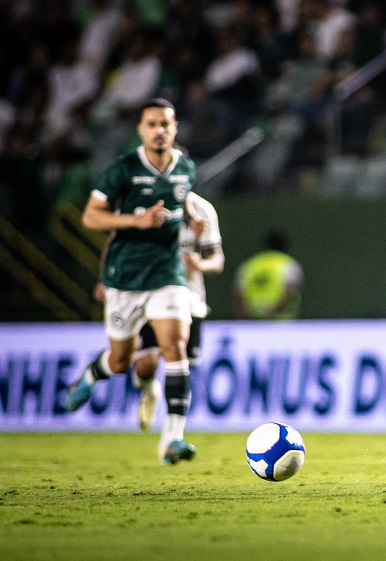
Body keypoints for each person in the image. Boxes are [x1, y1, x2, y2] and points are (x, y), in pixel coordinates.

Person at [65, 98, 204, 465]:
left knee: (175, 348)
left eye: (166, 124)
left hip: (167, 276)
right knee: (121, 361)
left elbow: (181, 205)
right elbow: (92, 218)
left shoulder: (186, 169)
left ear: (175, 129)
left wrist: (192, 220)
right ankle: (92, 376)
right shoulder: (123, 170)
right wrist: (136, 222)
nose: (160, 130)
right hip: (125, 279)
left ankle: (172, 440)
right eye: (152, 124)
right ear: (140, 130)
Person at [92, 189, 224, 432]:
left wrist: (201, 264)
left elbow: (217, 259)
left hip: (188, 298)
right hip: (149, 293)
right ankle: (150, 389)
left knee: (183, 365)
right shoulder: (141, 207)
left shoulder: (203, 210)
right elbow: (114, 244)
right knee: (146, 366)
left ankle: (173, 434)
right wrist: (104, 279)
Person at [233, 230, 303, 320]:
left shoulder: (250, 265)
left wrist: (247, 318)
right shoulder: (289, 264)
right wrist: (270, 315)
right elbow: (290, 293)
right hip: (282, 325)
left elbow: (238, 295)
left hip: (254, 324)